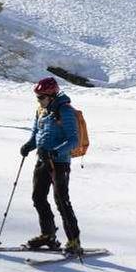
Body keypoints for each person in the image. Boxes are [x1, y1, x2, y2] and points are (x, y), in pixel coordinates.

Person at [19, 77, 83, 254]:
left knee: (61, 201)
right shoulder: (41, 110)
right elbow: (36, 134)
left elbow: (74, 141)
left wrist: (55, 152)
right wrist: (28, 146)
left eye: (41, 97)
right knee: (38, 197)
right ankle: (48, 235)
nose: (38, 100)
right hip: (42, 160)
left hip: (59, 164)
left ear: (52, 95)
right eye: (37, 97)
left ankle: (74, 240)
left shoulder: (66, 111)